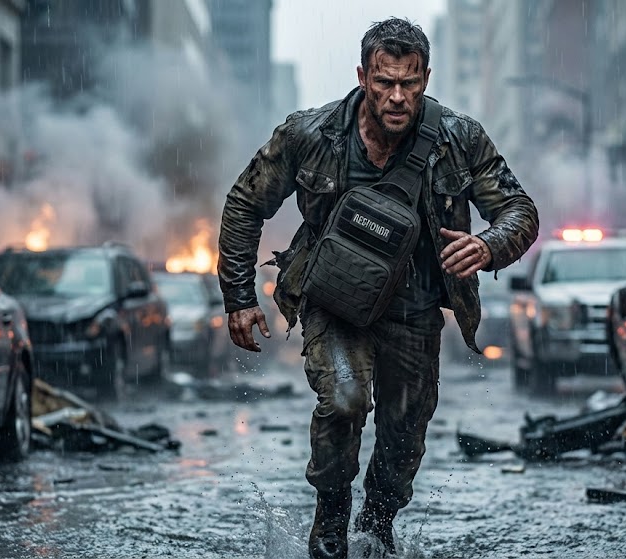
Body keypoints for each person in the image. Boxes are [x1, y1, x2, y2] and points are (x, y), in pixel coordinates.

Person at [218, 17, 539, 559]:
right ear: (362, 75)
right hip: (333, 306)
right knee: (343, 402)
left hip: (414, 313)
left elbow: (519, 209)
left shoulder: (459, 138)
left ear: (426, 78)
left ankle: (378, 524)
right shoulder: (310, 134)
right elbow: (246, 203)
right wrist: (240, 297)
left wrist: (490, 245)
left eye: (410, 84)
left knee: (404, 433)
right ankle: (331, 522)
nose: (396, 97)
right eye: (384, 82)